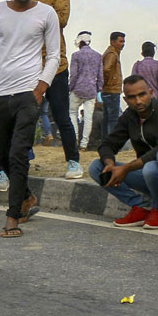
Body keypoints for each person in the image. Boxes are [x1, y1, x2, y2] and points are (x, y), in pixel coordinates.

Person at [0, 0, 60, 238]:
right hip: (0, 95)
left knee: (18, 155)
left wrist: (40, 89)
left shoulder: (47, 13)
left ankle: (13, 216)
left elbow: (54, 55)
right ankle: (26, 196)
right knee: (2, 154)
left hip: (28, 94)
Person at [24, 0, 81, 178]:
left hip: (56, 64)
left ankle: (74, 162)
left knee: (62, 117)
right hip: (28, 66)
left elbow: (62, 19)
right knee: (25, 117)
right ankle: (20, 164)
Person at [88, 74, 158, 229]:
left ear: (151, 92)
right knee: (96, 167)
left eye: (142, 95)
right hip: (149, 176)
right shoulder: (129, 117)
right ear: (125, 100)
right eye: (132, 97)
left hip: (151, 170)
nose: (138, 101)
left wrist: (126, 169)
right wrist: (110, 164)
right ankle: (142, 207)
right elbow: (108, 144)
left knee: (150, 167)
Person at [67, 31, 104, 150]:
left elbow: (73, 75)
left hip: (77, 89)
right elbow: (100, 76)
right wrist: (98, 90)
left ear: (80, 42)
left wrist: (70, 87)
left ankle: (74, 140)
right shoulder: (98, 56)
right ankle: (84, 144)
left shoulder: (76, 55)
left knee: (72, 113)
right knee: (88, 117)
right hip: (91, 90)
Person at [101, 32, 125, 139]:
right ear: (113, 42)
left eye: (123, 41)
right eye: (120, 41)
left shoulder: (112, 52)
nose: (123, 44)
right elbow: (106, 69)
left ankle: (105, 142)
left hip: (108, 90)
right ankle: (112, 142)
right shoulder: (112, 54)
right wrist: (111, 81)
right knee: (113, 119)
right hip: (111, 90)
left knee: (107, 118)